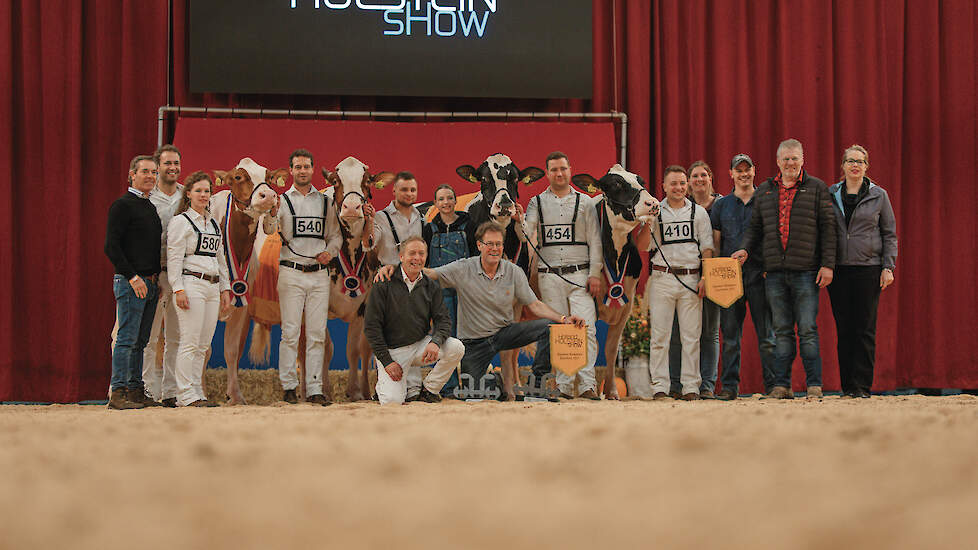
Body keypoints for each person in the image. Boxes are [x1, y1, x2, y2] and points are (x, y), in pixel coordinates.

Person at [375, 221, 586, 392]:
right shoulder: (463, 268)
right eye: (489, 244)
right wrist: (395, 268)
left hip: (504, 333)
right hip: (473, 343)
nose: (494, 249)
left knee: (550, 327)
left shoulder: (513, 271)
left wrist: (564, 319)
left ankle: (538, 384)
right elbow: (430, 273)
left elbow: (535, 305)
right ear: (479, 246)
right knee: (475, 393)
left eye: (498, 244)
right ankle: (496, 380)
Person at [733, 138, 836, 399]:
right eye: (786, 159)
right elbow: (754, 229)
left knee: (807, 329)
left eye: (795, 158)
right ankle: (782, 385)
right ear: (778, 162)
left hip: (806, 272)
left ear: (803, 160)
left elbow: (828, 230)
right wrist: (745, 248)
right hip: (775, 274)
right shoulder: (765, 191)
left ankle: (814, 385)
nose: (790, 163)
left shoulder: (817, 189)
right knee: (780, 331)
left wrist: (827, 265)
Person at [262, 148, 341, 405]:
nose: (303, 171)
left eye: (307, 166)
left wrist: (330, 252)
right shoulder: (281, 200)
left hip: (319, 275)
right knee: (290, 332)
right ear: (291, 171)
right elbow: (268, 229)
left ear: (312, 169)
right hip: (291, 272)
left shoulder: (326, 202)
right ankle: (288, 386)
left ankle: (315, 388)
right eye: (298, 167)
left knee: (318, 333)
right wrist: (272, 213)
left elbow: (335, 235)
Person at [524, 151, 603, 399]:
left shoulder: (586, 202)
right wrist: (518, 221)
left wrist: (595, 274)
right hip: (549, 275)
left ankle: (588, 384)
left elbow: (595, 241)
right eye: (554, 170)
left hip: (580, 274)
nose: (559, 173)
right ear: (547, 173)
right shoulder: (536, 202)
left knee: (586, 328)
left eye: (563, 169)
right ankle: (564, 385)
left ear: (570, 170)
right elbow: (527, 235)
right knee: (560, 329)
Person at [827, 145, 897, 398]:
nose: (855, 165)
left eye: (860, 161)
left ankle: (863, 386)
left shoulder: (879, 195)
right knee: (844, 329)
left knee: (864, 329)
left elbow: (889, 234)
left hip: (869, 269)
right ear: (843, 166)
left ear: (867, 166)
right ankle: (848, 387)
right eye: (850, 161)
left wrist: (888, 266)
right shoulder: (831, 193)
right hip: (839, 271)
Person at [365, 236, 465, 405]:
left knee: (456, 347)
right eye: (412, 253)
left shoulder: (431, 286)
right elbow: (371, 327)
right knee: (392, 401)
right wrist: (387, 362)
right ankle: (382, 388)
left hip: (420, 346)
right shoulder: (383, 283)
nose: (417, 258)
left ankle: (429, 390)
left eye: (421, 253)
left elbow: (444, 321)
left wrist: (435, 341)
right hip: (393, 352)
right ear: (401, 256)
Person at [710, 154, 776, 400]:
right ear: (731, 174)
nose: (744, 174)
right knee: (730, 338)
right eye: (739, 170)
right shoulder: (721, 205)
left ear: (754, 171)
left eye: (748, 169)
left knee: (767, 336)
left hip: (761, 276)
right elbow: (716, 243)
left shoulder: (767, 201)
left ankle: (773, 386)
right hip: (728, 278)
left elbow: (774, 237)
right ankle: (729, 387)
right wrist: (714, 274)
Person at [646, 166, 715, 400]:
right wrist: (647, 220)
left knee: (691, 337)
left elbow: (707, 247)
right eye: (673, 183)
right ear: (664, 186)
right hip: (662, 277)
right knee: (660, 336)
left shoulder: (699, 212)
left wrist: (705, 278)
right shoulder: (656, 211)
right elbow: (643, 246)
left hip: (691, 278)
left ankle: (691, 387)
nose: (678, 188)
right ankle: (659, 387)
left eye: (682, 183)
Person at [167, 171, 232, 407]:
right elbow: (173, 257)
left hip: (212, 286)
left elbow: (221, 258)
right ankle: (184, 393)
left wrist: (225, 289)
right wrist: (177, 289)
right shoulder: (180, 222)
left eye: (207, 191)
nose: (203, 195)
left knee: (203, 345)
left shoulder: (213, 223)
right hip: (191, 283)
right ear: (189, 194)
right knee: (190, 341)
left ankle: (197, 392)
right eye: (198, 191)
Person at [104, 155, 163, 410]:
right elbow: (111, 247)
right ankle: (118, 393)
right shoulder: (122, 205)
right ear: (132, 174)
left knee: (141, 341)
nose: (150, 176)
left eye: (153, 172)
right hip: (132, 282)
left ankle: (135, 390)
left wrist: (153, 279)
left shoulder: (150, 207)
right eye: (145, 171)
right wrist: (133, 277)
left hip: (149, 283)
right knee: (127, 339)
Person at [667, 160, 722, 398]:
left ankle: (707, 385)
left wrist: (709, 274)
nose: (699, 180)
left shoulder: (722, 205)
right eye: (695, 176)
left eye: (704, 175)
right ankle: (677, 384)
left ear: (711, 178)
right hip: (684, 277)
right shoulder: (680, 208)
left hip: (713, 275)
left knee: (709, 332)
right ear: (688, 183)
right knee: (679, 333)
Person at [421, 183, 476, 398]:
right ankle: (448, 386)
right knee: (444, 336)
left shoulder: (468, 225)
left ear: (455, 201)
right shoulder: (428, 229)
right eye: (441, 199)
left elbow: (474, 256)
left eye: (449, 198)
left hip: (465, 289)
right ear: (435, 203)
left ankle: (471, 383)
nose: (446, 203)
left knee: (468, 336)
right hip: (439, 292)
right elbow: (423, 261)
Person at [144, 144, 184, 407]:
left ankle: (171, 392)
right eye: (168, 163)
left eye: (176, 163)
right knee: (149, 337)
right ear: (158, 167)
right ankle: (146, 389)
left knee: (177, 337)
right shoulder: (147, 197)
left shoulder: (187, 195)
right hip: (154, 273)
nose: (173, 168)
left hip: (180, 276)